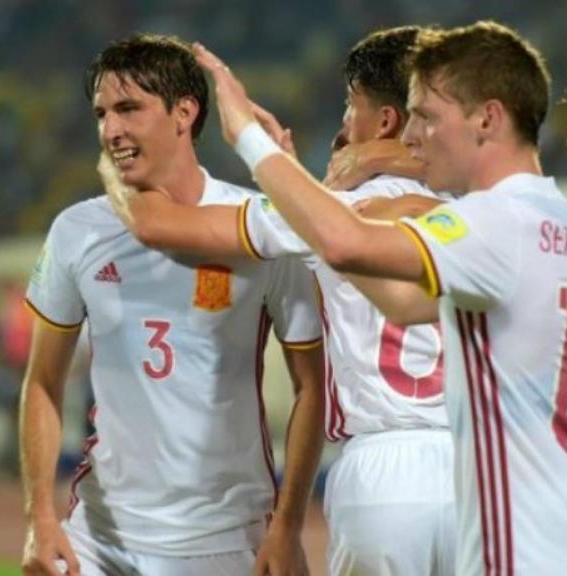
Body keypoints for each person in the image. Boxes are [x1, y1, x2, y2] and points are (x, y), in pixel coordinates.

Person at [193, 21, 567, 575]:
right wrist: (330, 217)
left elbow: (344, 242)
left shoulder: (494, 222)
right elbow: (402, 301)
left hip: (523, 525)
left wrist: (249, 143)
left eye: (426, 117)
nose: (412, 137)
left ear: (488, 118)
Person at [103, 27, 457, 575]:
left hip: (385, 471)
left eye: (350, 106)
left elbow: (156, 222)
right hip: (483, 464)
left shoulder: (335, 217)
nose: (343, 123)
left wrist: (116, 156)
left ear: (385, 120)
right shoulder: (482, 201)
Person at [19, 34, 324, 576]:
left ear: (185, 112)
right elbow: (43, 380)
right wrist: (40, 517)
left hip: (226, 540)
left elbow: (312, 386)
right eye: (102, 113)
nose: (111, 129)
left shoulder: (263, 227)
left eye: (129, 108)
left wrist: (289, 525)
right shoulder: (77, 230)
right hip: (102, 539)